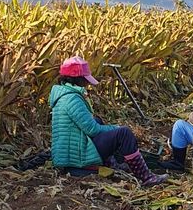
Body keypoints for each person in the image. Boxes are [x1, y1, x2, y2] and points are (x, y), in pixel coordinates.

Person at [49, 58, 164, 186]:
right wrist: (115, 128)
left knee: (97, 120)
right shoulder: (72, 99)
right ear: (77, 79)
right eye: (85, 80)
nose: (87, 84)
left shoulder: (64, 95)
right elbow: (92, 130)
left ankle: (111, 163)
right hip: (77, 155)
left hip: (72, 151)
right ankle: (146, 177)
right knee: (124, 133)